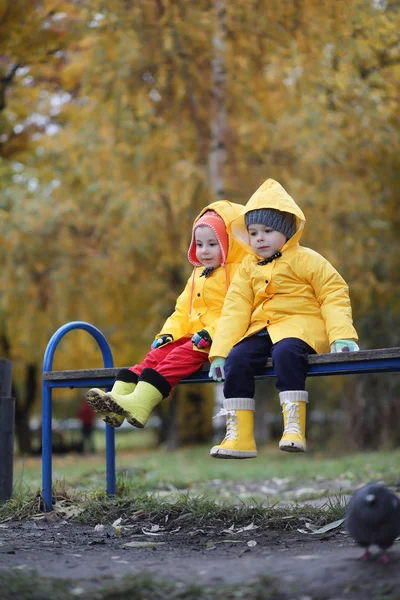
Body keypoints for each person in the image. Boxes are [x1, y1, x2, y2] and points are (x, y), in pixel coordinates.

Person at [208, 178, 359, 459]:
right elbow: (234, 310)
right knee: (237, 360)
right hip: (260, 330)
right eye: (253, 233)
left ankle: (293, 428)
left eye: (268, 230)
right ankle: (239, 437)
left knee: (286, 352)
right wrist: (219, 353)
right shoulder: (247, 268)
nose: (260, 238)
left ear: (287, 231)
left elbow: (333, 293)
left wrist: (342, 335)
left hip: (298, 327)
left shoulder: (306, 259)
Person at [86, 201, 249, 428]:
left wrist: (211, 334)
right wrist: (168, 334)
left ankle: (139, 405)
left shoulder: (240, 274)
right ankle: (115, 403)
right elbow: (182, 311)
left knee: (175, 360)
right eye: (199, 244)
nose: (204, 250)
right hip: (191, 336)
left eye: (213, 244)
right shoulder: (197, 276)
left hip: (216, 340)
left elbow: (236, 311)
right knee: (154, 358)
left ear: (229, 243)